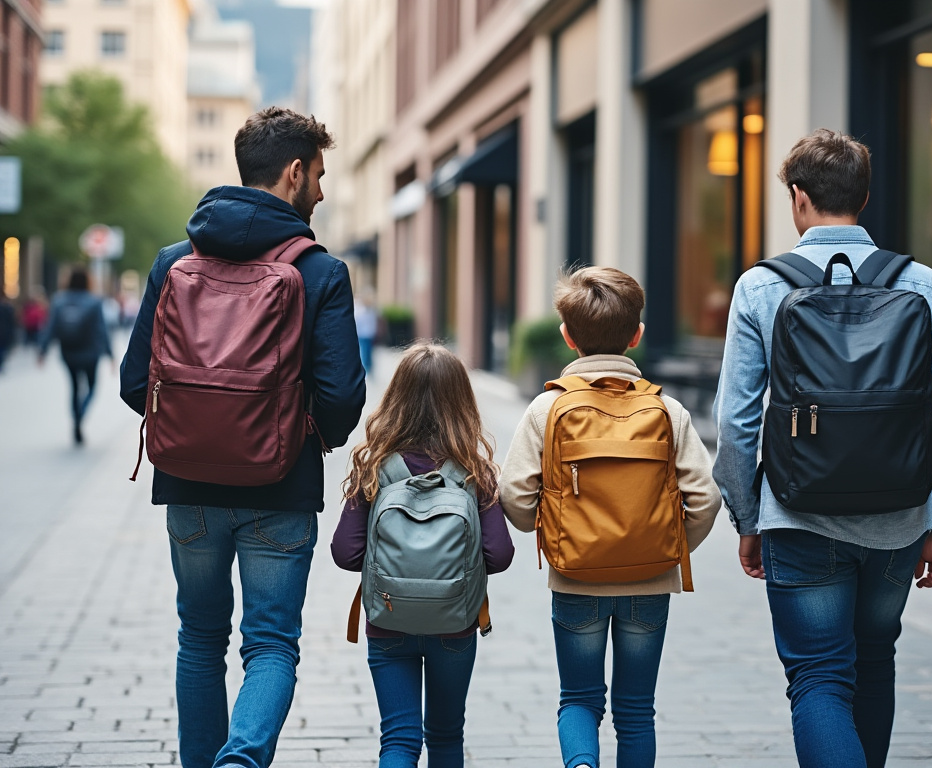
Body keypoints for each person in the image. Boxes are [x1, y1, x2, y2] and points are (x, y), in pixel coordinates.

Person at [712, 129, 932, 768]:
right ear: (863, 196)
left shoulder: (759, 287)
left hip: (799, 516)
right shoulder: (922, 284)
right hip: (899, 517)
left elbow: (737, 422)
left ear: (798, 198)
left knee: (819, 677)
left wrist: (750, 518)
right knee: (874, 660)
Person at [119, 107, 366, 768]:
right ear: (292, 173)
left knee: (199, 639)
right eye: (318, 174)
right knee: (270, 644)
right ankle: (243, 759)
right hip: (280, 490)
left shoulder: (173, 262)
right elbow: (342, 398)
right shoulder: (320, 272)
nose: (321, 190)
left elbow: (133, 381)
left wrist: (195, 429)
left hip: (188, 489)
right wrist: (298, 434)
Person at [499, 266, 722, 768]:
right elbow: (705, 499)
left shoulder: (547, 407)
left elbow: (513, 495)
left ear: (567, 336)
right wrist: (667, 543)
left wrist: (555, 529)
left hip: (575, 578)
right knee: (637, 711)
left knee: (578, 699)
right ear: (637, 336)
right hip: (650, 581)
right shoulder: (668, 410)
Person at [332, 342, 514, 768]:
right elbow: (500, 554)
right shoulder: (474, 472)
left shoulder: (374, 468)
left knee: (398, 738)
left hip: (387, 621)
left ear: (395, 400)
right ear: (463, 403)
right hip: (455, 625)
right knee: (447, 736)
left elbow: (345, 551)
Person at [37, 267, 113, 443]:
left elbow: (50, 327)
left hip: (68, 351)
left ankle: (76, 416)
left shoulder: (59, 300)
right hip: (91, 352)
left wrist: (43, 350)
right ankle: (81, 414)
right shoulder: (94, 301)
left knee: (74, 387)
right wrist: (110, 354)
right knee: (92, 386)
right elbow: (101, 329)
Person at [353, 291, 379, 376]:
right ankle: (364, 370)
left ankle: (369, 369)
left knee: (369, 353)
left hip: (369, 335)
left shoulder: (371, 310)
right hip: (362, 335)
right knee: (363, 352)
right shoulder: (360, 310)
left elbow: (373, 322)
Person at [0, 293, 16, 372]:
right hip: (5, 332)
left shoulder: (8, 309)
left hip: (4, 332)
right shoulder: (8, 308)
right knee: (3, 349)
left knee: (2, 349)